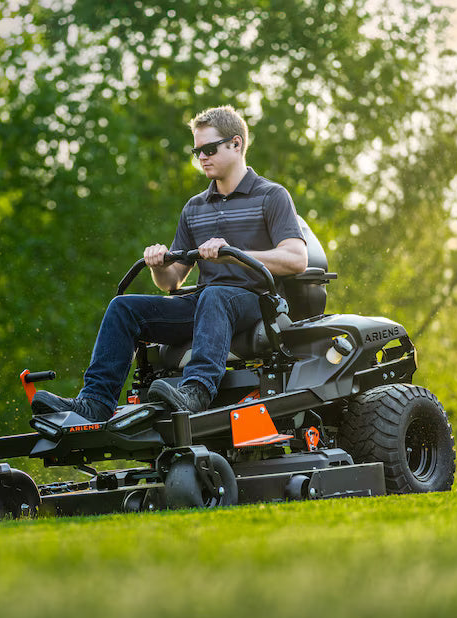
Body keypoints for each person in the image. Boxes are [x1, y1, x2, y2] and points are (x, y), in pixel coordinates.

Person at [32, 105, 308, 421]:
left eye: (209, 148)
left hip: (254, 303)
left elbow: (296, 259)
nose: (202, 157)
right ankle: (94, 402)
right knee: (124, 308)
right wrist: (158, 265)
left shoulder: (271, 196)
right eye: (197, 151)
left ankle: (197, 391)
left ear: (236, 144)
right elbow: (171, 283)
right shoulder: (194, 208)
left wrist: (236, 252)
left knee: (215, 296)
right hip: (207, 305)